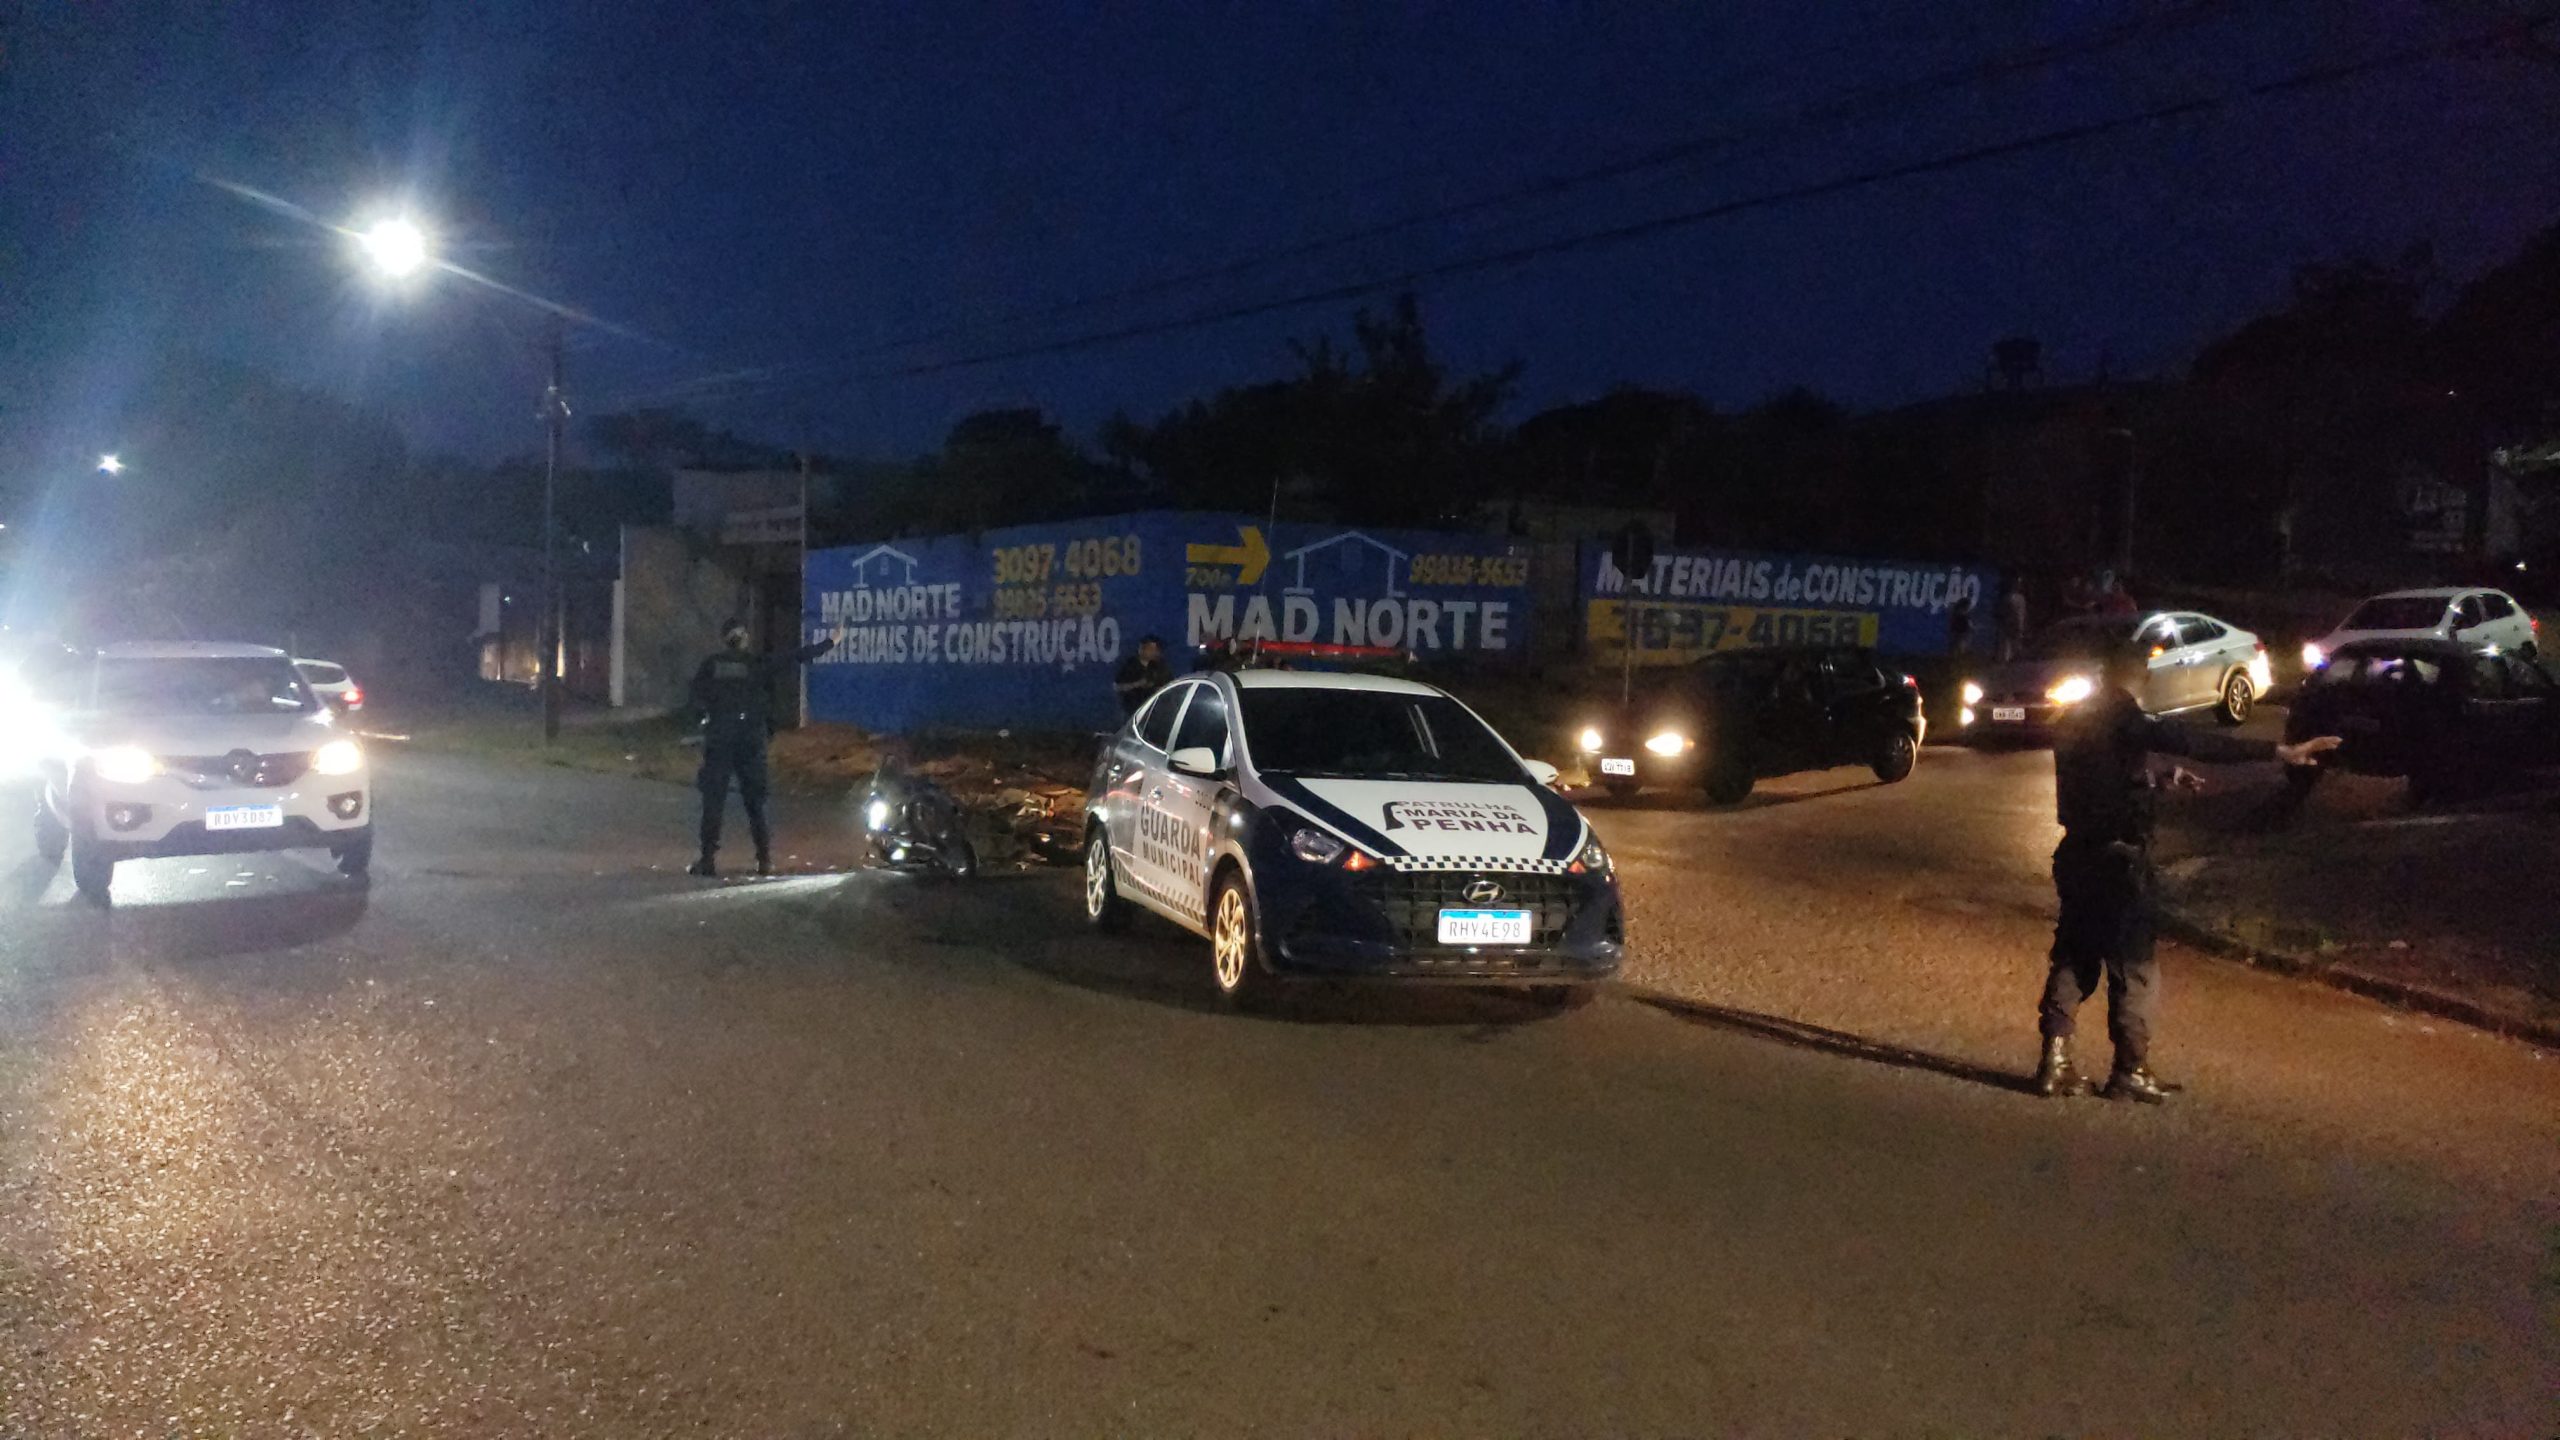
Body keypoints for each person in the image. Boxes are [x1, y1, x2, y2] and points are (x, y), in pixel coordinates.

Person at [2033, 642, 2339, 1102]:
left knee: (2075, 953)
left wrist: (2159, 778)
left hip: (2076, 854)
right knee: (2134, 967)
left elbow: (2101, 781)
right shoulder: (2127, 718)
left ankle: (2053, 1063)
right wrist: (2281, 751)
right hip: (2119, 863)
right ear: (2138, 676)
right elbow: (2199, 742)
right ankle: (2130, 1069)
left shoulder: (2075, 719)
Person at [686, 617, 841, 878]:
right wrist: (830, 642)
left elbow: (695, 699)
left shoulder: (711, 665)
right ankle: (764, 859)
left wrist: (705, 719)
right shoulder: (757, 663)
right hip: (750, 740)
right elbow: (795, 657)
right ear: (745, 639)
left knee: (714, 800)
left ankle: (708, 860)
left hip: (720, 739)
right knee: (755, 803)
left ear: (724, 639)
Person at [1114, 634, 1173, 716]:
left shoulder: (1160, 666)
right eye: (1149, 649)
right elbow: (1117, 687)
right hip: (1134, 710)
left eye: (1155, 649)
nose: (1153, 652)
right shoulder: (1131, 665)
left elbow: (1169, 685)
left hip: (1154, 710)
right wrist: (1137, 684)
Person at [1995, 577, 2030, 663]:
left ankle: (2015, 661)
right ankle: (2007, 663)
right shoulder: (2008, 598)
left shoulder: (2020, 598)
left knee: (2016, 645)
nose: (2018, 586)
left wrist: (2023, 625)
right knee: (2007, 646)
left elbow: (2023, 613)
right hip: (2010, 626)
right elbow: (2010, 612)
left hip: (2017, 626)